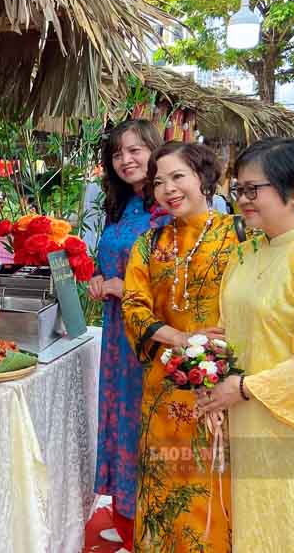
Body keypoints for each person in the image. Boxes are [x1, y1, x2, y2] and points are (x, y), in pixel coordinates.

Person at [201, 139, 294, 553]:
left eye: (252, 189)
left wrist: (242, 388)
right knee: (254, 526)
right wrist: (209, 357)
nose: (241, 200)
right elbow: (235, 328)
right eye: (238, 189)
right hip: (247, 420)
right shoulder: (245, 255)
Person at [121, 142, 241, 552]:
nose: (168, 188)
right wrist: (179, 338)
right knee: (163, 486)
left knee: (213, 486)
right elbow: (134, 306)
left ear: (203, 179)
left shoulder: (239, 236)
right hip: (163, 389)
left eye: (178, 177)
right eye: (159, 181)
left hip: (222, 389)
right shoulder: (149, 245)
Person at [88, 120, 167, 550]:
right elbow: (113, 263)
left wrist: (125, 287)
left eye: (136, 150)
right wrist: (101, 279)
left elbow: (177, 279)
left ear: (155, 151)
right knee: (120, 419)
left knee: (144, 424)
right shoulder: (123, 207)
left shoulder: (165, 206)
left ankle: (147, 530)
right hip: (118, 336)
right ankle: (126, 519)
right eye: (119, 154)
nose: (127, 160)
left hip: (150, 339)